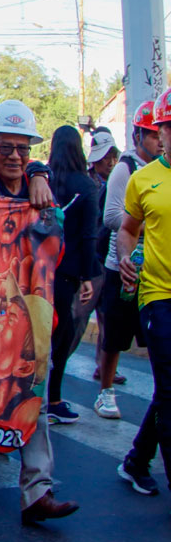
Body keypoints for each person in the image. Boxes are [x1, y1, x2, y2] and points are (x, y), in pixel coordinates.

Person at [0, 99, 81, 525]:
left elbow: (56, 250)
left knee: (34, 407)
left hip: (31, 320)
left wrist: (40, 179)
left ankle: (38, 492)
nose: (14, 156)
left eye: (23, 149)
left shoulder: (44, 195)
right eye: (6, 147)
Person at [117, 87, 171, 497]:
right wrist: (124, 258)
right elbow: (128, 229)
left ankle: (136, 460)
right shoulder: (143, 179)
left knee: (169, 388)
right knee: (170, 388)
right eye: (169, 128)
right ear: (160, 133)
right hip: (158, 294)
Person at [96, 101, 161, 422]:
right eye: (151, 133)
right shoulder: (127, 169)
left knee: (157, 340)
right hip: (122, 268)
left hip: (157, 272)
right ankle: (106, 393)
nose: (158, 139)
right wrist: (149, 219)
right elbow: (110, 217)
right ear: (138, 135)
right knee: (115, 339)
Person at [40, 127, 101, 422]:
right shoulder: (86, 186)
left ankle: (25, 400)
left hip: (39, 270)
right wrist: (88, 276)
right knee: (61, 338)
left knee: (35, 337)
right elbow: (89, 235)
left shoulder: (44, 181)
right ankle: (53, 399)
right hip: (68, 273)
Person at [75, 131, 118, 383]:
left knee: (106, 317)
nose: (110, 162)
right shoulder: (89, 184)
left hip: (106, 259)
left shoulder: (114, 180)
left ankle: (104, 364)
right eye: (106, 158)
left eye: (113, 157)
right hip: (94, 260)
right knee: (81, 317)